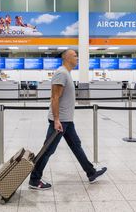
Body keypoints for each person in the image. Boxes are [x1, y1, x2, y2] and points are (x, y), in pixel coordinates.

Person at [29, 50, 107, 190]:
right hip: (60, 121)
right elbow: (54, 97)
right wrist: (57, 120)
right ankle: (34, 180)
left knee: (76, 145)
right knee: (48, 150)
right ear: (66, 58)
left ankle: (91, 172)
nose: (77, 57)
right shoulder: (61, 73)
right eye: (75, 55)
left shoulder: (67, 74)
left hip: (67, 120)